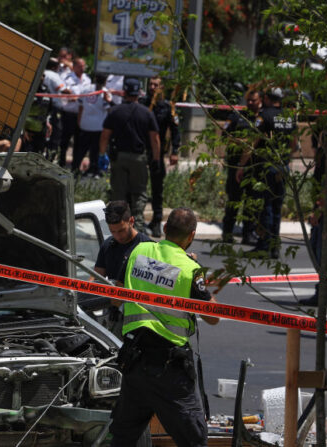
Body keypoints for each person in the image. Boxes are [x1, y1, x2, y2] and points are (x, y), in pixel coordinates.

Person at [110, 207, 220, 447]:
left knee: (123, 437)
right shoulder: (190, 270)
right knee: (194, 439)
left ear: (166, 229)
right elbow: (213, 317)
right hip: (169, 368)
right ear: (191, 236)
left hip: (135, 362)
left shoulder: (139, 250)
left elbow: (115, 297)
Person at [236, 87, 297, 259]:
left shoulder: (264, 116)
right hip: (282, 166)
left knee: (265, 207)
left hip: (266, 168)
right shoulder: (289, 117)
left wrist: (241, 166)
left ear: (266, 98)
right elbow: (294, 144)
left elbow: (251, 143)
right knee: (277, 207)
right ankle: (275, 246)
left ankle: (264, 246)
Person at [100, 77, 161, 234]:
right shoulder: (146, 113)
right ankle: (138, 227)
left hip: (118, 157)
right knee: (139, 193)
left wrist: (102, 155)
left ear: (124, 92)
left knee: (118, 193)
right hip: (139, 158)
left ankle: (118, 227)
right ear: (139, 93)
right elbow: (155, 138)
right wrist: (156, 159)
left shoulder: (115, 111)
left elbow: (105, 136)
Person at [93, 201, 152, 336]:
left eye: (121, 230)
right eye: (112, 231)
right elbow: (96, 278)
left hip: (141, 321)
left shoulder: (147, 247)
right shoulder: (108, 245)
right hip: (114, 317)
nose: (117, 235)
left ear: (131, 221)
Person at [140, 76, 182, 237]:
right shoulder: (142, 103)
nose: (152, 87)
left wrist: (175, 151)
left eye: (156, 85)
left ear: (162, 87)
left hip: (158, 152)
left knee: (157, 188)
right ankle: (138, 219)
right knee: (139, 187)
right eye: (150, 84)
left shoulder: (167, 107)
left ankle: (156, 221)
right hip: (141, 151)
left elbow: (176, 130)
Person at [221, 90, 262, 244]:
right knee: (233, 200)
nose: (251, 103)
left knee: (252, 202)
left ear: (260, 100)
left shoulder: (262, 118)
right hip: (235, 165)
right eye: (249, 100)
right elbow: (225, 136)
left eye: (254, 100)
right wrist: (245, 141)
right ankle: (227, 232)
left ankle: (248, 233)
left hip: (255, 167)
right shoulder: (236, 117)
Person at [75, 73, 112, 177]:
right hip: (98, 127)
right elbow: (109, 110)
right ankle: (94, 170)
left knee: (82, 149)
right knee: (95, 150)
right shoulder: (106, 93)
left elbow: (80, 107)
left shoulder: (85, 89)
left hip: (86, 124)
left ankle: (76, 169)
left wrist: (79, 121)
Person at [59, 56, 91, 169]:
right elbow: (64, 94)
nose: (83, 68)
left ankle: (75, 166)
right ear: (74, 67)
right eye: (80, 66)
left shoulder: (87, 79)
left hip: (82, 115)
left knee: (79, 141)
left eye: (84, 66)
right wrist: (72, 96)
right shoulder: (67, 78)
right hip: (69, 114)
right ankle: (61, 164)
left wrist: (76, 97)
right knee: (64, 141)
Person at [43, 58, 70, 160]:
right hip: (54, 108)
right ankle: (50, 158)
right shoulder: (54, 76)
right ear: (55, 67)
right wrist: (73, 93)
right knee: (56, 134)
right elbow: (63, 90)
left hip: (42, 107)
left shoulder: (43, 73)